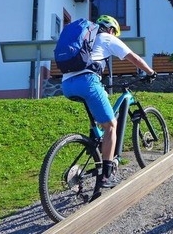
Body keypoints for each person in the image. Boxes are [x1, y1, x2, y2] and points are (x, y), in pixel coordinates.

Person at [61, 15, 155, 188]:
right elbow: (133, 57)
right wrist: (150, 72)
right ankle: (106, 176)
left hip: (66, 84)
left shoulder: (85, 40)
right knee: (111, 125)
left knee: (100, 120)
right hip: (87, 82)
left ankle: (94, 148)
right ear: (111, 29)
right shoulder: (107, 37)